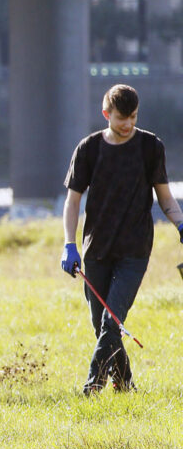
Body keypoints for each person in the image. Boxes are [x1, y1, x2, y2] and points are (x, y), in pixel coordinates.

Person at [61, 83, 183, 395]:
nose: (127, 124)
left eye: (133, 117)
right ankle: (125, 384)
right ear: (106, 114)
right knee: (99, 322)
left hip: (135, 249)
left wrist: (181, 225)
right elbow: (73, 201)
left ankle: (93, 385)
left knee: (111, 322)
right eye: (120, 118)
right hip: (96, 248)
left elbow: (165, 197)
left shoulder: (149, 147)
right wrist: (69, 244)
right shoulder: (88, 149)